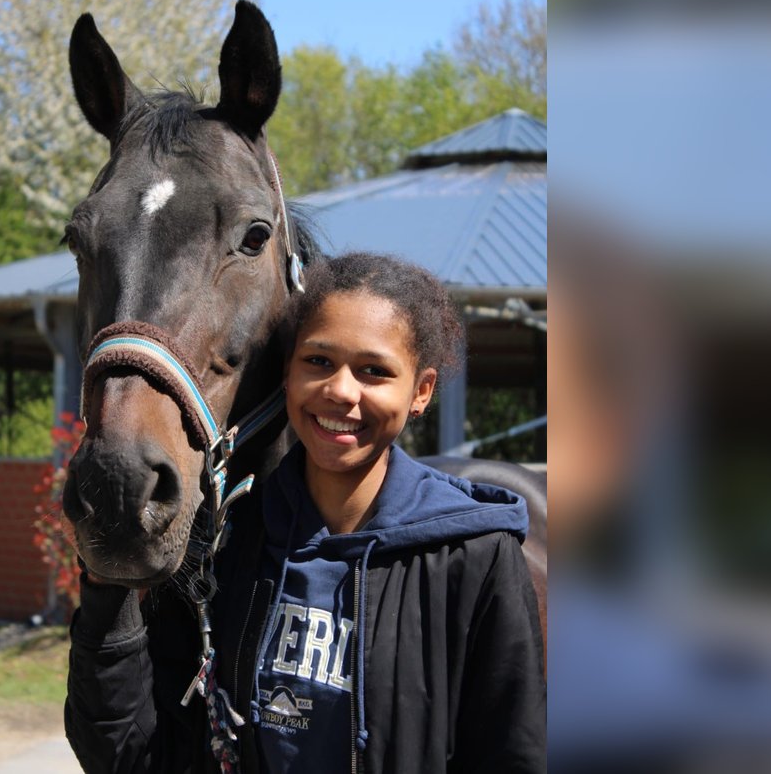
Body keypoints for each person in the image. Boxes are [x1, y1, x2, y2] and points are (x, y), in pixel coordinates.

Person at [66, 252, 546, 773]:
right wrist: (104, 586)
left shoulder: (476, 556)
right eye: (318, 361)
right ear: (287, 372)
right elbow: (136, 756)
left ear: (421, 392)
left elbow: (512, 755)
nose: (341, 390)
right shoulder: (224, 548)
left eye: (374, 371)